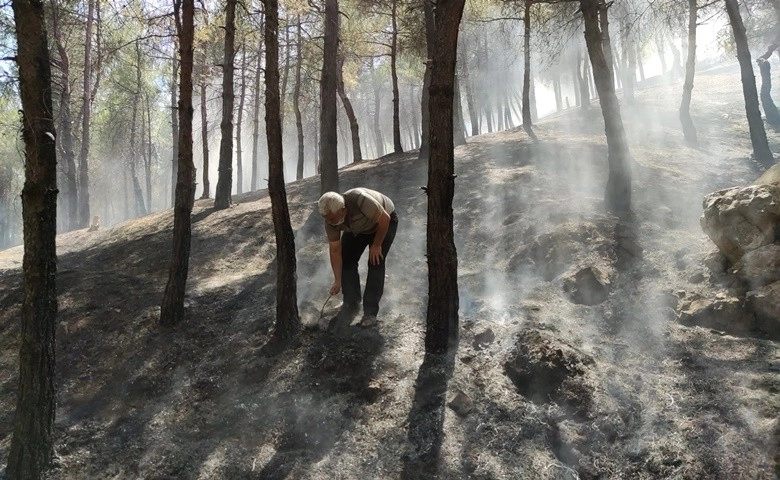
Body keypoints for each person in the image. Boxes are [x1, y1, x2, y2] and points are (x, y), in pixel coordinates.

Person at [318, 188, 398, 326]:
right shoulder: (330, 221)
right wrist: (337, 280)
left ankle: (370, 313)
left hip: (384, 223)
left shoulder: (360, 199)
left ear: (343, 210)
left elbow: (385, 219)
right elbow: (335, 251)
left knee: (375, 262)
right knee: (346, 259)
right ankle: (351, 302)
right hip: (358, 228)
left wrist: (377, 245)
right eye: (326, 219)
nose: (329, 222)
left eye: (331, 218)